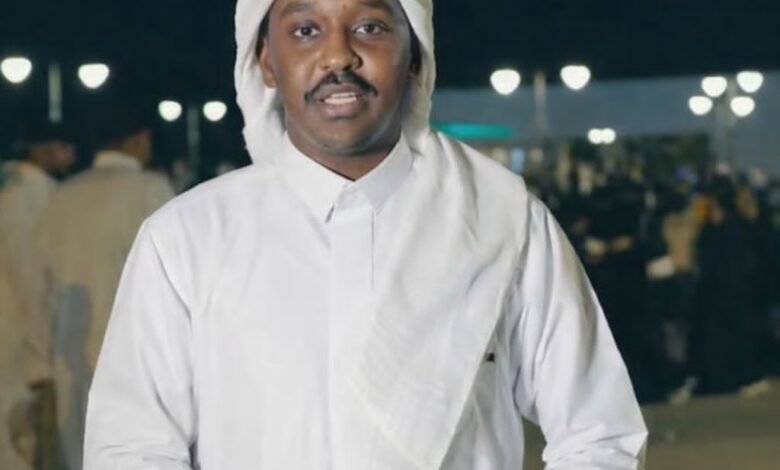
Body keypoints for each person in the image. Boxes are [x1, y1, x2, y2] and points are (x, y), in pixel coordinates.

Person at [84, 0, 647, 468]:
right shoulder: (187, 239)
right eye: (306, 31)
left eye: (370, 28)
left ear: (414, 54)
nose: (338, 56)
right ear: (267, 61)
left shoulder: (501, 219)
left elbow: (599, 435)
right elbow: (132, 449)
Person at [36, 104, 174, 470]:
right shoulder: (149, 189)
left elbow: (42, 283)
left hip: (70, 355)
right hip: (135, 358)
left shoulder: (61, 195)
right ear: (139, 140)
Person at [0, 122, 75, 470]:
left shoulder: (14, 188)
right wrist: (41, 355)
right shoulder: (29, 195)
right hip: (20, 339)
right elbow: (31, 277)